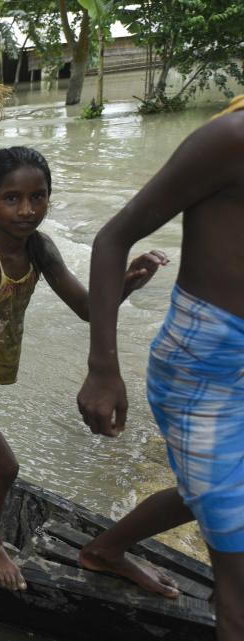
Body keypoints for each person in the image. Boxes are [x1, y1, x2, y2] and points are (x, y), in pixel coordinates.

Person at [0, 146, 166, 592]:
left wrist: (126, 284)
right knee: (3, 465)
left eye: (37, 197)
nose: (27, 210)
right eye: (12, 199)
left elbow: (86, 308)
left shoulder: (40, 248)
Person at [76, 97, 244, 639]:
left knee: (215, 487)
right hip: (202, 374)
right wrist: (103, 368)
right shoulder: (231, 139)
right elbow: (112, 237)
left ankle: (106, 548)